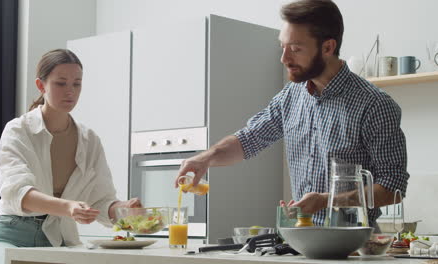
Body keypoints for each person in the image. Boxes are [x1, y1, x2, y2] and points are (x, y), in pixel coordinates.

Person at [175, 0, 409, 228]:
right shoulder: (290, 97)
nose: (284, 58)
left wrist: (326, 201)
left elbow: (392, 188)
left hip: (355, 244)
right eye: (283, 47)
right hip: (302, 239)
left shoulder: (374, 105)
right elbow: (249, 139)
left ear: (328, 47)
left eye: (295, 49)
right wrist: (206, 158)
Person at [0, 49, 142, 264]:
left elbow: (101, 200)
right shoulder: (18, 130)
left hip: (61, 241)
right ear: (41, 85)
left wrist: (122, 210)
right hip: (11, 237)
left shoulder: (90, 140)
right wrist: (68, 207)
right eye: (61, 83)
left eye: (77, 84)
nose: (70, 92)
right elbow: (18, 193)